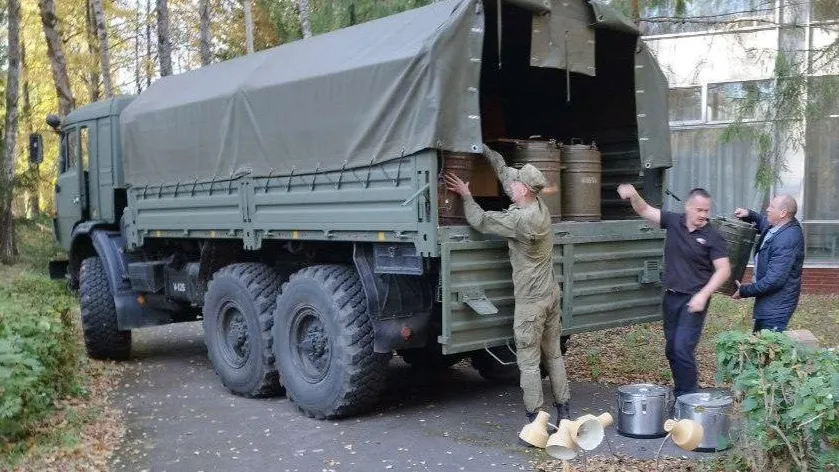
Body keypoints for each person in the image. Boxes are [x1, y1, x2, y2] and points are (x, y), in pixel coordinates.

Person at [444, 144, 571, 426]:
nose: (509, 184)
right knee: (553, 355)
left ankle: (535, 420)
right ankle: (564, 411)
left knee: (527, 361)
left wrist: (466, 195)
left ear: (523, 190)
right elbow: (504, 170)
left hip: (531, 302)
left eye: (514, 183)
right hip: (550, 294)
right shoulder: (539, 206)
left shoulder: (519, 220)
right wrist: (482, 146)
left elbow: (480, 221)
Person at [617, 185, 730, 400]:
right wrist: (633, 193)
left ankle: (689, 399)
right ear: (687, 206)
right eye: (699, 210)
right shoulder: (673, 221)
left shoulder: (713, 236)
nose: (703, 215)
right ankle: (682, 393)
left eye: (706, 210)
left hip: (694, 300)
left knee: (681, 348)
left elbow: (724, 269)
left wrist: (703, 295)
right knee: (672, 350)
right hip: (671, 297)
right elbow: (644, 210)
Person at [732, 195, 804, 332]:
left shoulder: (787, 239)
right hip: (770, 302)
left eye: (771, 207)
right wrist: (749, 214)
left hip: (777, 306)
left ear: (783, 213)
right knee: (760, 345)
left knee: (766, 348)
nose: (767, 209)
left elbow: (774, 281)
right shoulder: (779, 226)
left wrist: (744, 291)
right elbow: (762, 221)